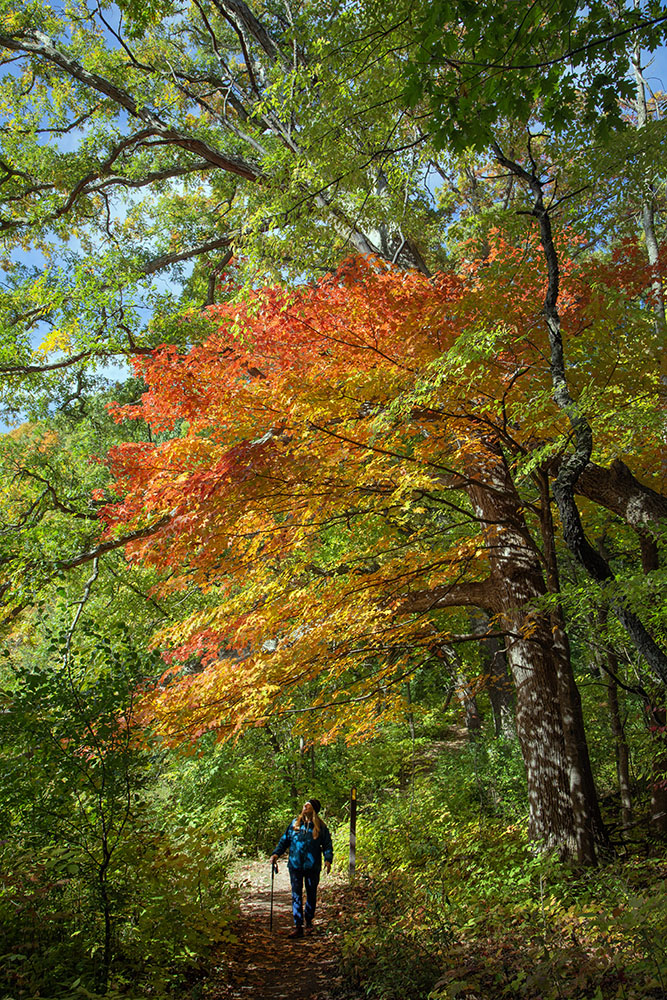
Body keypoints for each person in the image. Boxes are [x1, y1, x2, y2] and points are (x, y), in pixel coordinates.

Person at [270, 797, 333, 939]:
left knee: (311, 894)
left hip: (312, 866)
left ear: (314, 810)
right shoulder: (294, 824)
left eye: (308, 805)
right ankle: (298, 926)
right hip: (295, 865)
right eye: (305, 804)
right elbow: (284, 841)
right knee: (296, 894)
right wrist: (276, 854)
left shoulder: (321, 827)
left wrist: (328, 860)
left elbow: (327, 844)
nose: (305, 806)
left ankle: (308, 922)